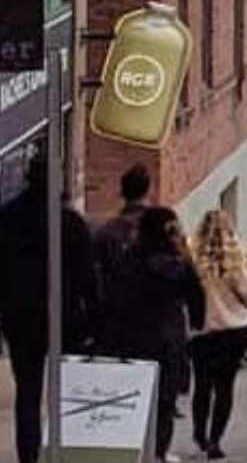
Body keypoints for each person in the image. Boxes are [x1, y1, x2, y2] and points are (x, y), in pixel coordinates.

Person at [0, 150, 95, 463]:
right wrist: (95, 318)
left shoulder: (7, 217)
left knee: (27, 392)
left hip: (20, 318)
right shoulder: (70, 222)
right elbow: (86, 277)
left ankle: (29, 456)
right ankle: (63, 449)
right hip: (64, 316)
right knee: (66, 390)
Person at [127, 207, 205, 462]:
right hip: (170, 333)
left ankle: (137, 445)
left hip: (136, 331)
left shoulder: (132, 258)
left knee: (136, 392)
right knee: (166, 397)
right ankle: (159, 450)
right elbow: (197, 296)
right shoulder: (178, 263)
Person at [190, 209, 247, 460]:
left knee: (202, 385)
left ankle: (199, 432)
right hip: (234, 329)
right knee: (225, 387)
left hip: (203, 330)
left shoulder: (194, 257)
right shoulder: (239, 257)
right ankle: (215, 440)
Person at [91, 163, 152, 356]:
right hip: (154, 321)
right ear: (147, 190)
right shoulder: (160, 226)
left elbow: (95, 274)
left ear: (123, 193)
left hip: (117, 318)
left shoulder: (106, 231)